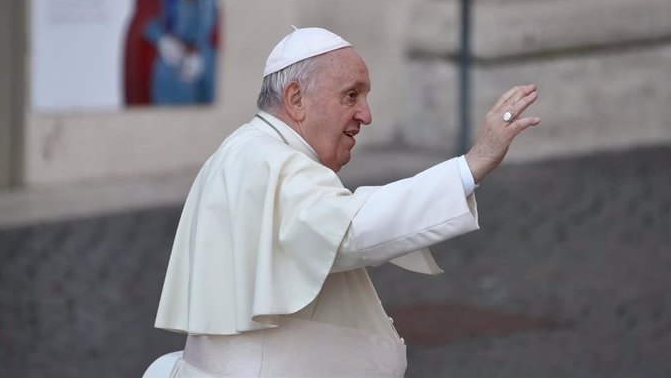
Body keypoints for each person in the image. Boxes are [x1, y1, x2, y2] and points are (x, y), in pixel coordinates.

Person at [154, 27, 540, 377]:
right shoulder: (273, 161)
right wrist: (471, 165)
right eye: (350, 96)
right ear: (295, 98)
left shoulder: (245, 149)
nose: (366, 115)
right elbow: (350, 230)